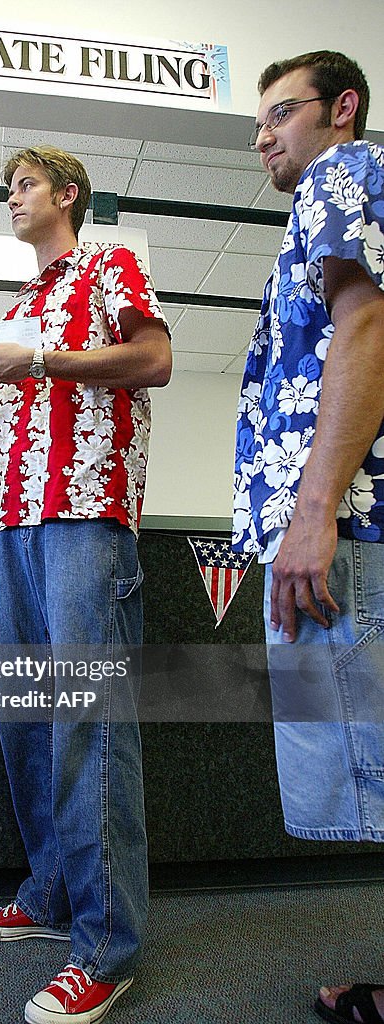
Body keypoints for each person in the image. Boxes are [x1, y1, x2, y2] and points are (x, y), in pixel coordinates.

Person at [0, 145, 171, 1024]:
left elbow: (154, 358)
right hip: (10, 521)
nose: (12, 198)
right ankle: (50, 894)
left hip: (82, 518)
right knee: (26, 721)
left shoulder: (109, 263)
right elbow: (14, 428)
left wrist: (48, 363)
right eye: (8, 188)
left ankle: (106, 949)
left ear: (66, 195)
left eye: (24, 185)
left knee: (87, 726)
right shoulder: (16, 309)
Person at [233, 51, 384, 1024]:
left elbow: (367, 328)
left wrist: (313, 508)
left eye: (280, 113)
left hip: (349, 526)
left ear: (341, 108)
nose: (262, 137)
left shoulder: (342, 173)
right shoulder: (327, 195)